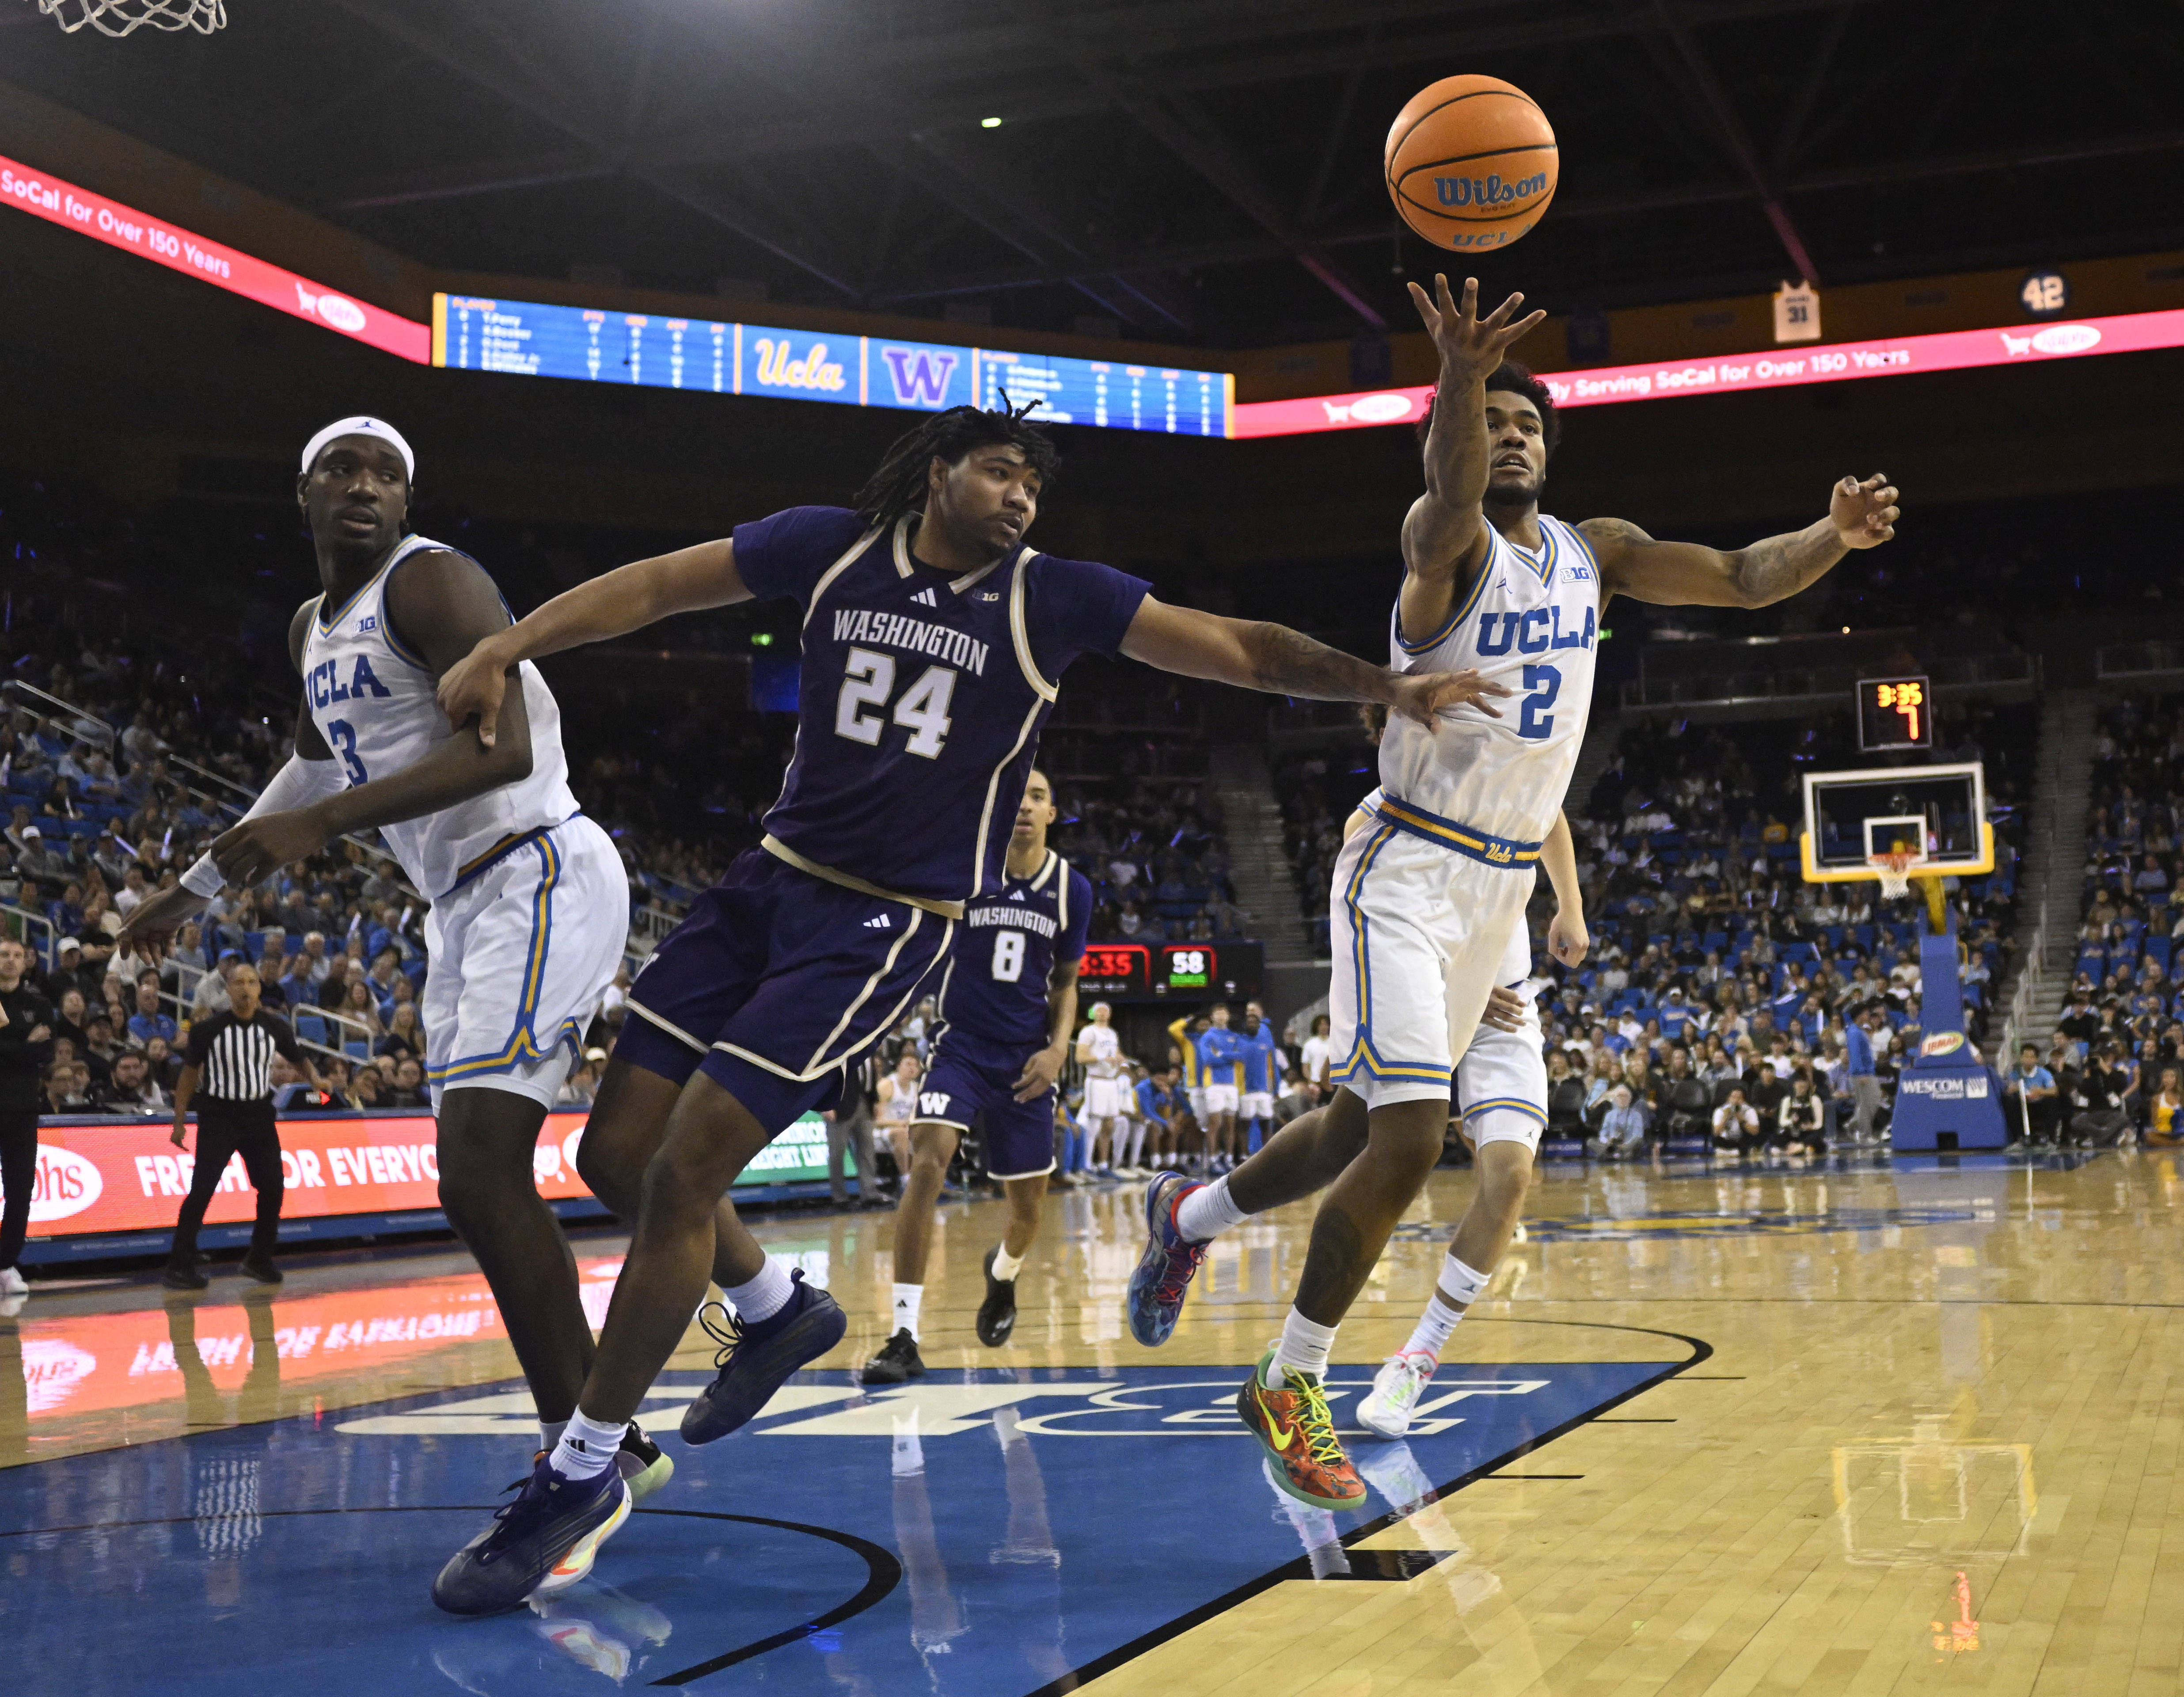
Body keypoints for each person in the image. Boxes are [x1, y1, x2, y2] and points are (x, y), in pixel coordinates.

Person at [423, 396, 1495, 1611]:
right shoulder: (824, 547)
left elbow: (1238, 648)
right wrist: (508, 645)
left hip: (883, 922)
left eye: (1034, 487)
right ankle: (773, 1311)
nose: (1021, 499)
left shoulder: (1052, 598)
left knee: (682, 1178)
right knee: (610, 1154)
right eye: (1000, 475)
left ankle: (579, 1472)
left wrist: (1384, 687)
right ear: (937, 475)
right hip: (766, 886)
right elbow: (661, 587)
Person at [1124, 273, 1898, 1510]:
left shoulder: (1597, 556)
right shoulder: (1449, 551)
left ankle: (1191, 1213)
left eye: (1532, 422)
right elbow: (1441, 498)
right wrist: (1461, 376)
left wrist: (1832, 538)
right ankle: (1290, 1375)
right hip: (1407, 864)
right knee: (1411, 1133)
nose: (1514, 434)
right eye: (1497, 424)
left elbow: (1747, 578)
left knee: (1355, 1126)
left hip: (1495, 893)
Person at [115, 418, 649, 1605]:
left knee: (476, 1170)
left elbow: (498, 753)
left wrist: (318, 830)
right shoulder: (314, 629)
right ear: (302, 492)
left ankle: (586, 1456)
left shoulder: (434, 580)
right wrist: (193, 889)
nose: (364, 487)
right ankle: (603, 1440)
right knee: (477, 1179)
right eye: (341, 472)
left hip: (535, 865)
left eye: (386, 474)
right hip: (457, 905)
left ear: (407, 499)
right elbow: (308, 775)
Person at [861, 769, 1088, 1385]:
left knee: (1027, 1212)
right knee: (927, 1158)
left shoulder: (1071, 888)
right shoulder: (965, 871)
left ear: (1052, 812)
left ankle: (1003, 1274)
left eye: (1037, 796)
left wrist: (1057, 1049)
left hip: (1026, 1060)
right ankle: (904, 1333)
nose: (1024, 806)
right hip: (960, 1048)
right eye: (1015, 796)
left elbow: (1065, 983)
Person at [162, 964, 315, 1289]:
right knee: (202, 1189)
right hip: (219, 1114)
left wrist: (318, 1082)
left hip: (259, 1114)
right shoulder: (207, 1030)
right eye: (238, 983)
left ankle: (259, 1259)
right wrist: (179, 1121)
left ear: (259, 989)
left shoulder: (275, 1027)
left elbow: (298, 1057)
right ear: (228, 990)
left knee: (273, 1187)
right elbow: (188, 1075)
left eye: (251, 982)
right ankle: (179, 1264)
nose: (245, 988)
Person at [0, 939, 54, 1299]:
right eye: (5, 955)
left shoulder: (39, 1004)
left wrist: (5, 1035)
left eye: (18, 955)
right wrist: (24, 1043)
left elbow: (44, 1054)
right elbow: (28, 1051)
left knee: (21, 1190)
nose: (12, 961)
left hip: (21, 1110)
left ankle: (5, 1266)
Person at [1074, 1001, 1127, 1179]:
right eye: (1100, 1010)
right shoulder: (1089, 1032)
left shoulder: (1112, 1034)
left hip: (1111, 1082)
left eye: (1106, 1010)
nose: (1103, 1013)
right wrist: (1102, 1057)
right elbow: (1080, 1057)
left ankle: (1103, 1164)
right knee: (1094, 1125)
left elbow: (1115, 1053)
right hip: (1096, 1081)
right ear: (1093, 1013)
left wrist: (1121, 1060)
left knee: (1109, 1124)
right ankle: (1086, 1165)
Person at [826, 1049, 882, 1210]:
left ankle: (870, 1194)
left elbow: (871, 1076)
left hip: (865, 1104)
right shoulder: (839, 1047)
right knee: (837, 1153)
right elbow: (825, 1077)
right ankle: (840, 1198)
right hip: (840, 1107)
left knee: (867, 1150)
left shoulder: (868, 1047)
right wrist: (826, 1105)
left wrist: (876, 1100)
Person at [1234, 1001, 1282, 1157]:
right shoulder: (1239, 1041)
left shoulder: (1266, 1042)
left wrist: (1275, 1087)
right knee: (1245, 1125)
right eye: (1249, 1021)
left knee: (1266, 1124)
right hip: (1246, 1090)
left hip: (1264, 1090)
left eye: (1255, 1021)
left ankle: (1267, 1155)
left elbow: (1272, 1065)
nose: (1252, 1024)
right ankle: (1244, 1156)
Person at [875, 1050, 923, 1180]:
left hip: (905, 1130)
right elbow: (875, 1121)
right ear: (898, 1067)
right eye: (908, 1064)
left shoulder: (917, 1088)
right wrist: (898, 1124)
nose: (912, 1068)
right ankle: (905, 1176)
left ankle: (922, 1177)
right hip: (881, 1132)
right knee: (902, 1133)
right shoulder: (887, 1085)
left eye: (915, 1065)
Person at [2003, 1042, 2059, 1145]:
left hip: (2039, 1105)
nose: (2028, 1060)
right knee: (2009, 1102)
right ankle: (2018, 1138)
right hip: (2023, 1105)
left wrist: (2041, 1091)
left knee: (2053, 1101)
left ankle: (2049, 1137)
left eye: (2032, 1057)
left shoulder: (2044, 1073)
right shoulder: (2015, 1074)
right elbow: (2008, 1091)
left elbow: (2054, 1091)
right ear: (2021, 1058)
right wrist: (2012, 1090)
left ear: (2036, 1059)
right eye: (2026, 1057)